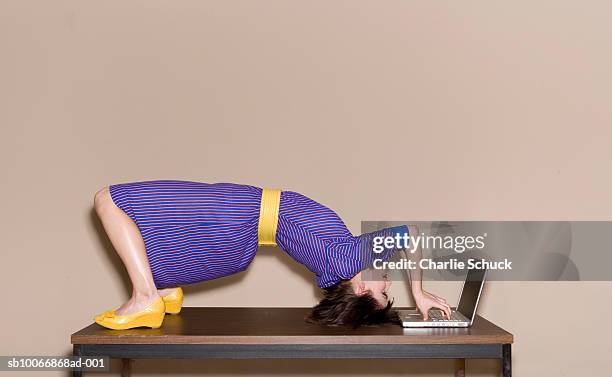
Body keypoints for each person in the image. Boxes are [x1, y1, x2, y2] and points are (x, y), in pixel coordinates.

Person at [93, 180, 451, 330]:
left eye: (382, 291)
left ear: (359, 289)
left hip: (241, 211)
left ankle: (145, 295)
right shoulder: (335, 266)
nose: (388, 282)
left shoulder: (346, 259)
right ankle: (163, 285)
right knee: (168, 222)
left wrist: (418, 293)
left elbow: (412, 235)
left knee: (110, 200)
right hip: (245, 220)